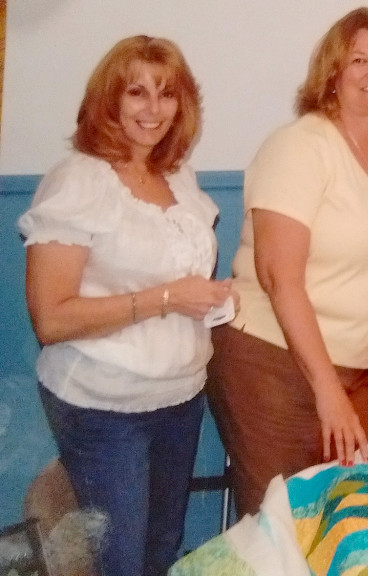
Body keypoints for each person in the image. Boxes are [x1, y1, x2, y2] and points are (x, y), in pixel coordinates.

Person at [205, 7, 368, 517]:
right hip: (272, 363)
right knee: (284, 523)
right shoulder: (298, 147)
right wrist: (328, 392)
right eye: (358, 60)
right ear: (332, 73)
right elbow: (281, 280)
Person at [17, 36, 233, 576]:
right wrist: (166, 298)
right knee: (122, 562)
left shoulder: (176, 176)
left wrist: (208, 301)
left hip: (180, 396)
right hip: (103, 405)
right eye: (137, 92)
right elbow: (51, 318)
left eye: (167, 93)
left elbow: (175, 280)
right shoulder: (79, 181)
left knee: (161, 550)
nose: (154, 109)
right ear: (108, 100)